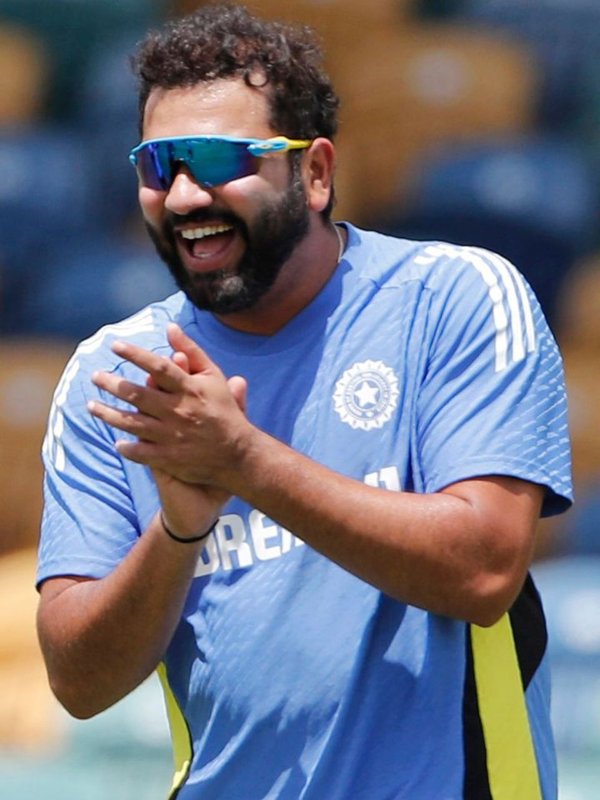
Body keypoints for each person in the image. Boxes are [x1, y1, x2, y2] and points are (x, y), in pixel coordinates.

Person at [35, 5, 572, 799]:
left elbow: (485, 569)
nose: (181, 196)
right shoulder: (113, 375)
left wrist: (243, 463)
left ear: (315, 173)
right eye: (158, 166)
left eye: (215, 160)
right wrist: (179, 530)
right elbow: (79, 683)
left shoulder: (454, 297)